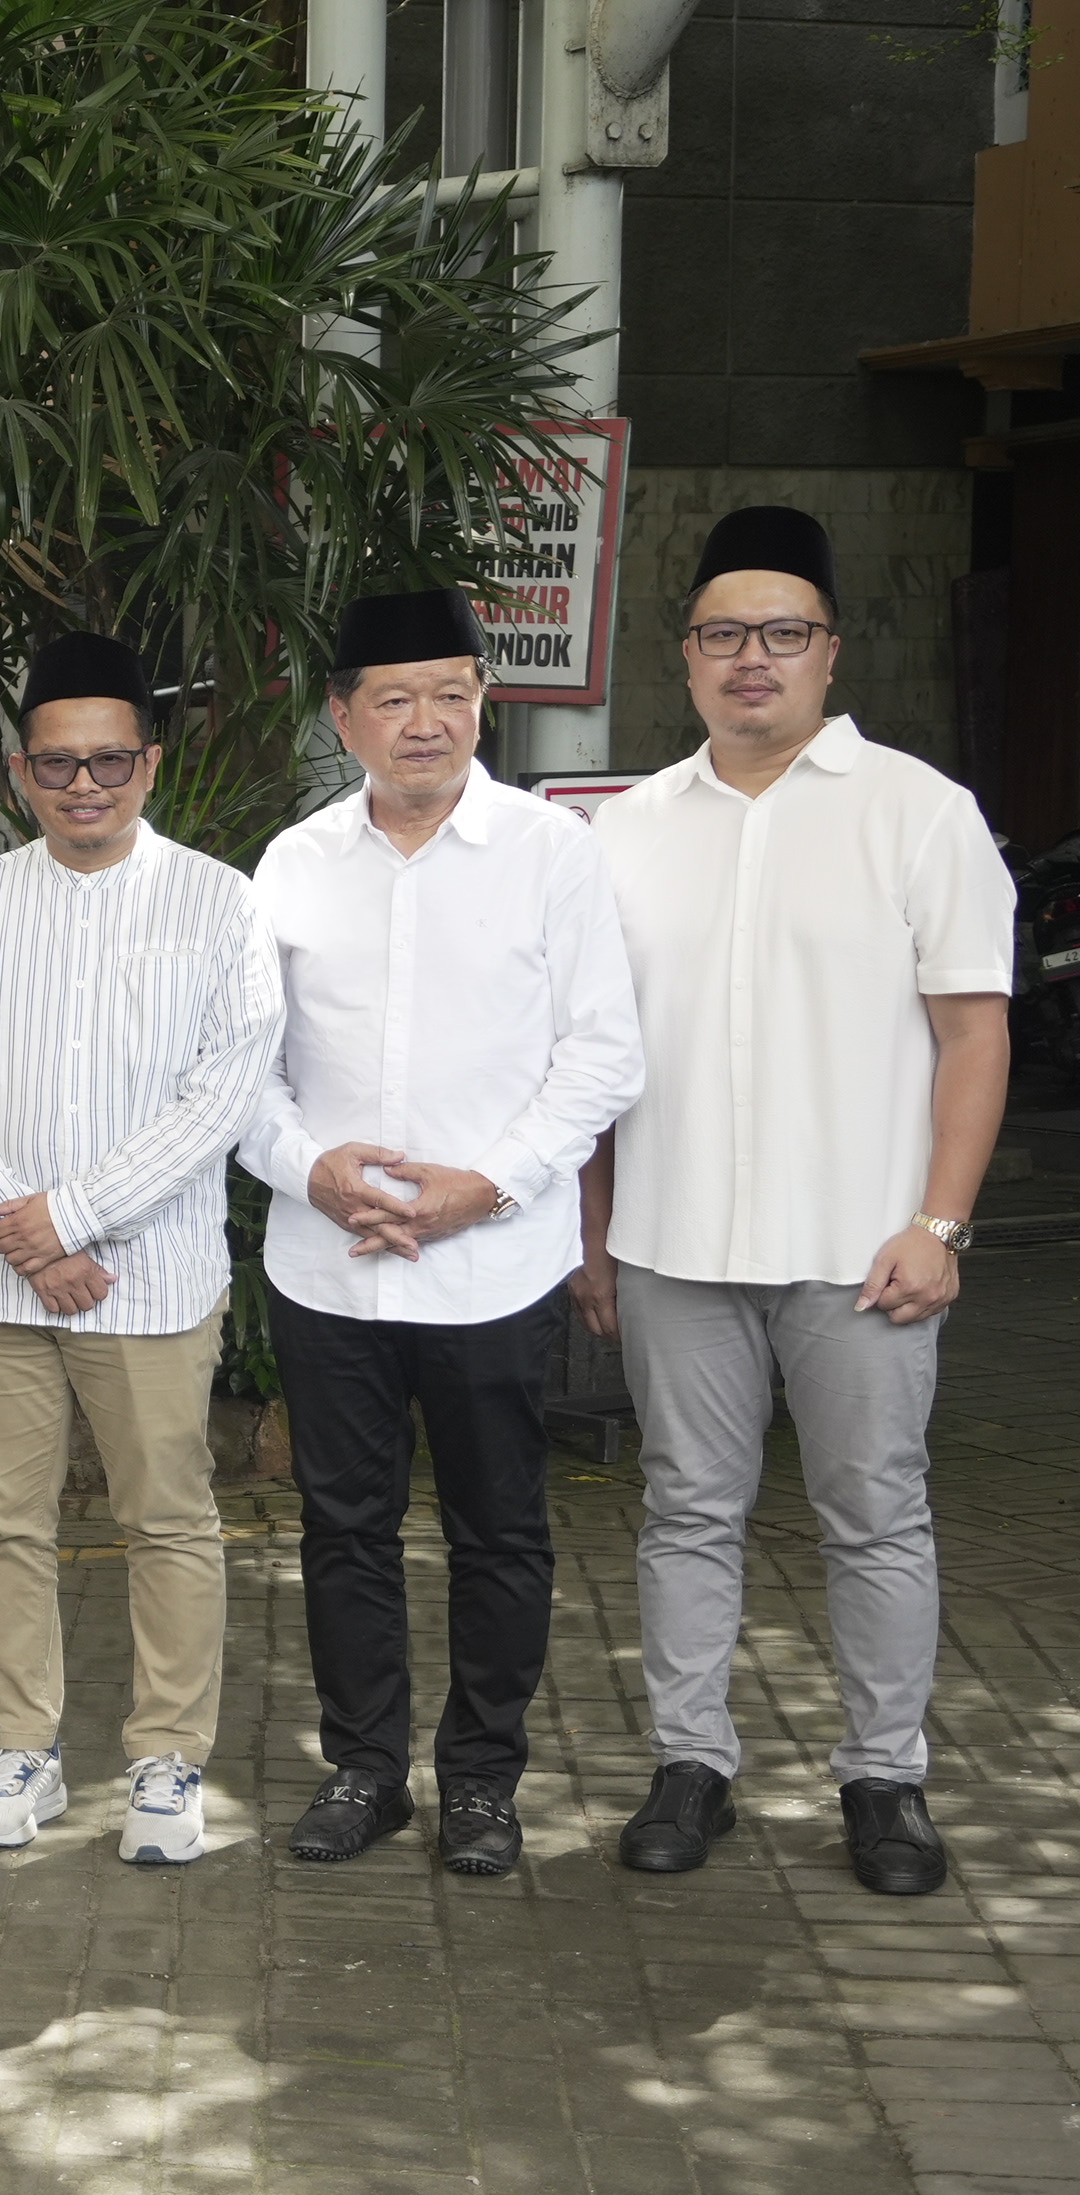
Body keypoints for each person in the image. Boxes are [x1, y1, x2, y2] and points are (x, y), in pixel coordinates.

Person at [575, 505, 1013, 1896]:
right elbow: (590, 1053)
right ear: (686, 656)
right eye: (722, 634)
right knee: (685, 1510)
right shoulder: (624, 830)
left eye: (782, 633)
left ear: (831, 650)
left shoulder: (920, 812)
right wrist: (593, 1233)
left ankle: (886, 1781)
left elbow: (973, 1035)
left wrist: (939, 1225)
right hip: (673, 1246)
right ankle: (690, 1763)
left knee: (875, 1515)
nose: (750, 658)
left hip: (862, 1250)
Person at [243, 589, 643, 1878]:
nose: (429, 721)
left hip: (492, 1264)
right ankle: (365, 1769)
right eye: (397, 697)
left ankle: (481, 1781)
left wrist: (497, 1185)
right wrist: (313, 1170)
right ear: (344, 715)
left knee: (499, 1530)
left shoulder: (552, 851)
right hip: (329, 1264)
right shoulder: (294, 862)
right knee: (343, 1527)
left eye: (453, 692)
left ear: (484, 698)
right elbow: (240, 1070)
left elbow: (602, 1055)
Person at [0, 631, 282, 1867]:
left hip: (149, 1276)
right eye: (57, 764)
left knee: (168, 1516)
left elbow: (223, 1094)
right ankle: (25, 1749)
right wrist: (26, 1228)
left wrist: (73, 1218)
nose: (83, 784)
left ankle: (167, 1759)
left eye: (108, 760)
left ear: (149, 762)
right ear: (20, 772)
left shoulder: (218, 902)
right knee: (2, 1520)